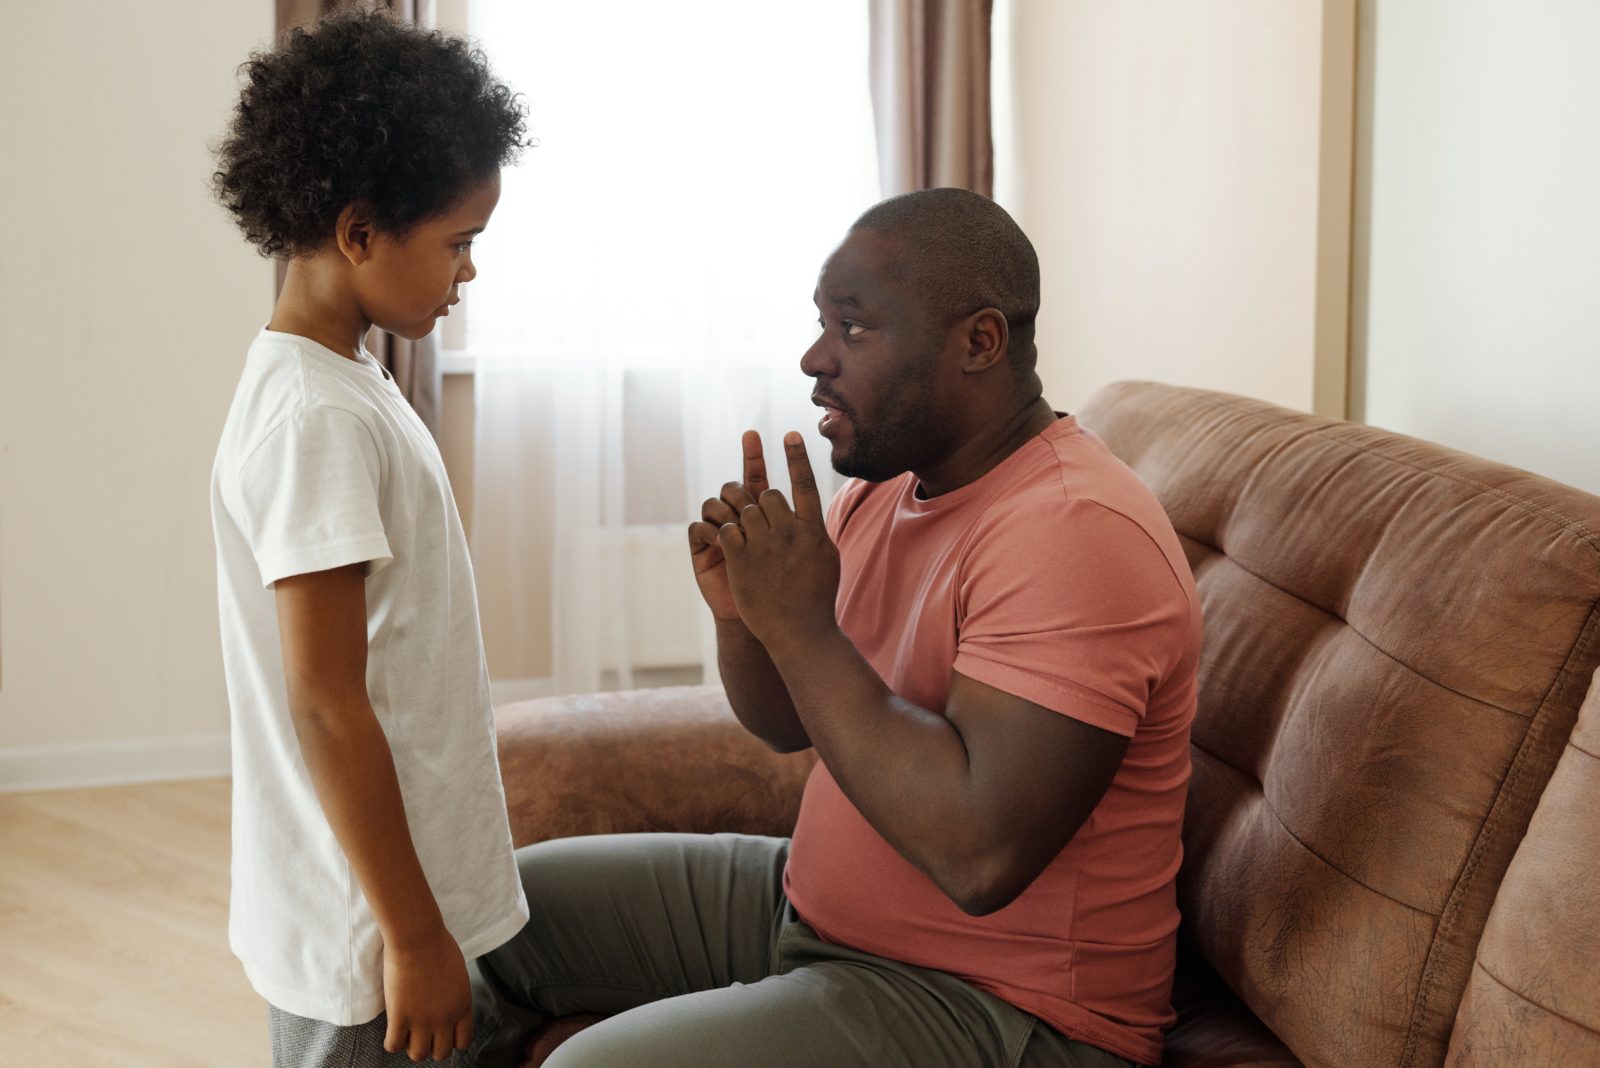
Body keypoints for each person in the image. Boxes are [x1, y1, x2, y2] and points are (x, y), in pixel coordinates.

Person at [467, 188, 1201, 1068]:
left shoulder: (1074, 531)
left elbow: (978, 856)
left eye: (853, 328)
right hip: (812, 913)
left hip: (1001, 1006)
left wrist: (803, 624)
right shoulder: (889, 488)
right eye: (821, 322)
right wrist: (748, 621)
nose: (815, 357)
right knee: (486, 914)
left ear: (979, 341)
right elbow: (787, 723)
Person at [209, 12, 530, 1065]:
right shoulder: (318, 419)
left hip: (379, 906)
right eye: (458, 244)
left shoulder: (345, 378)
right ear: (358, 233)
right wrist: (412, 935)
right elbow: (327, 701)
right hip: (364, 939)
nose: (468, 273)